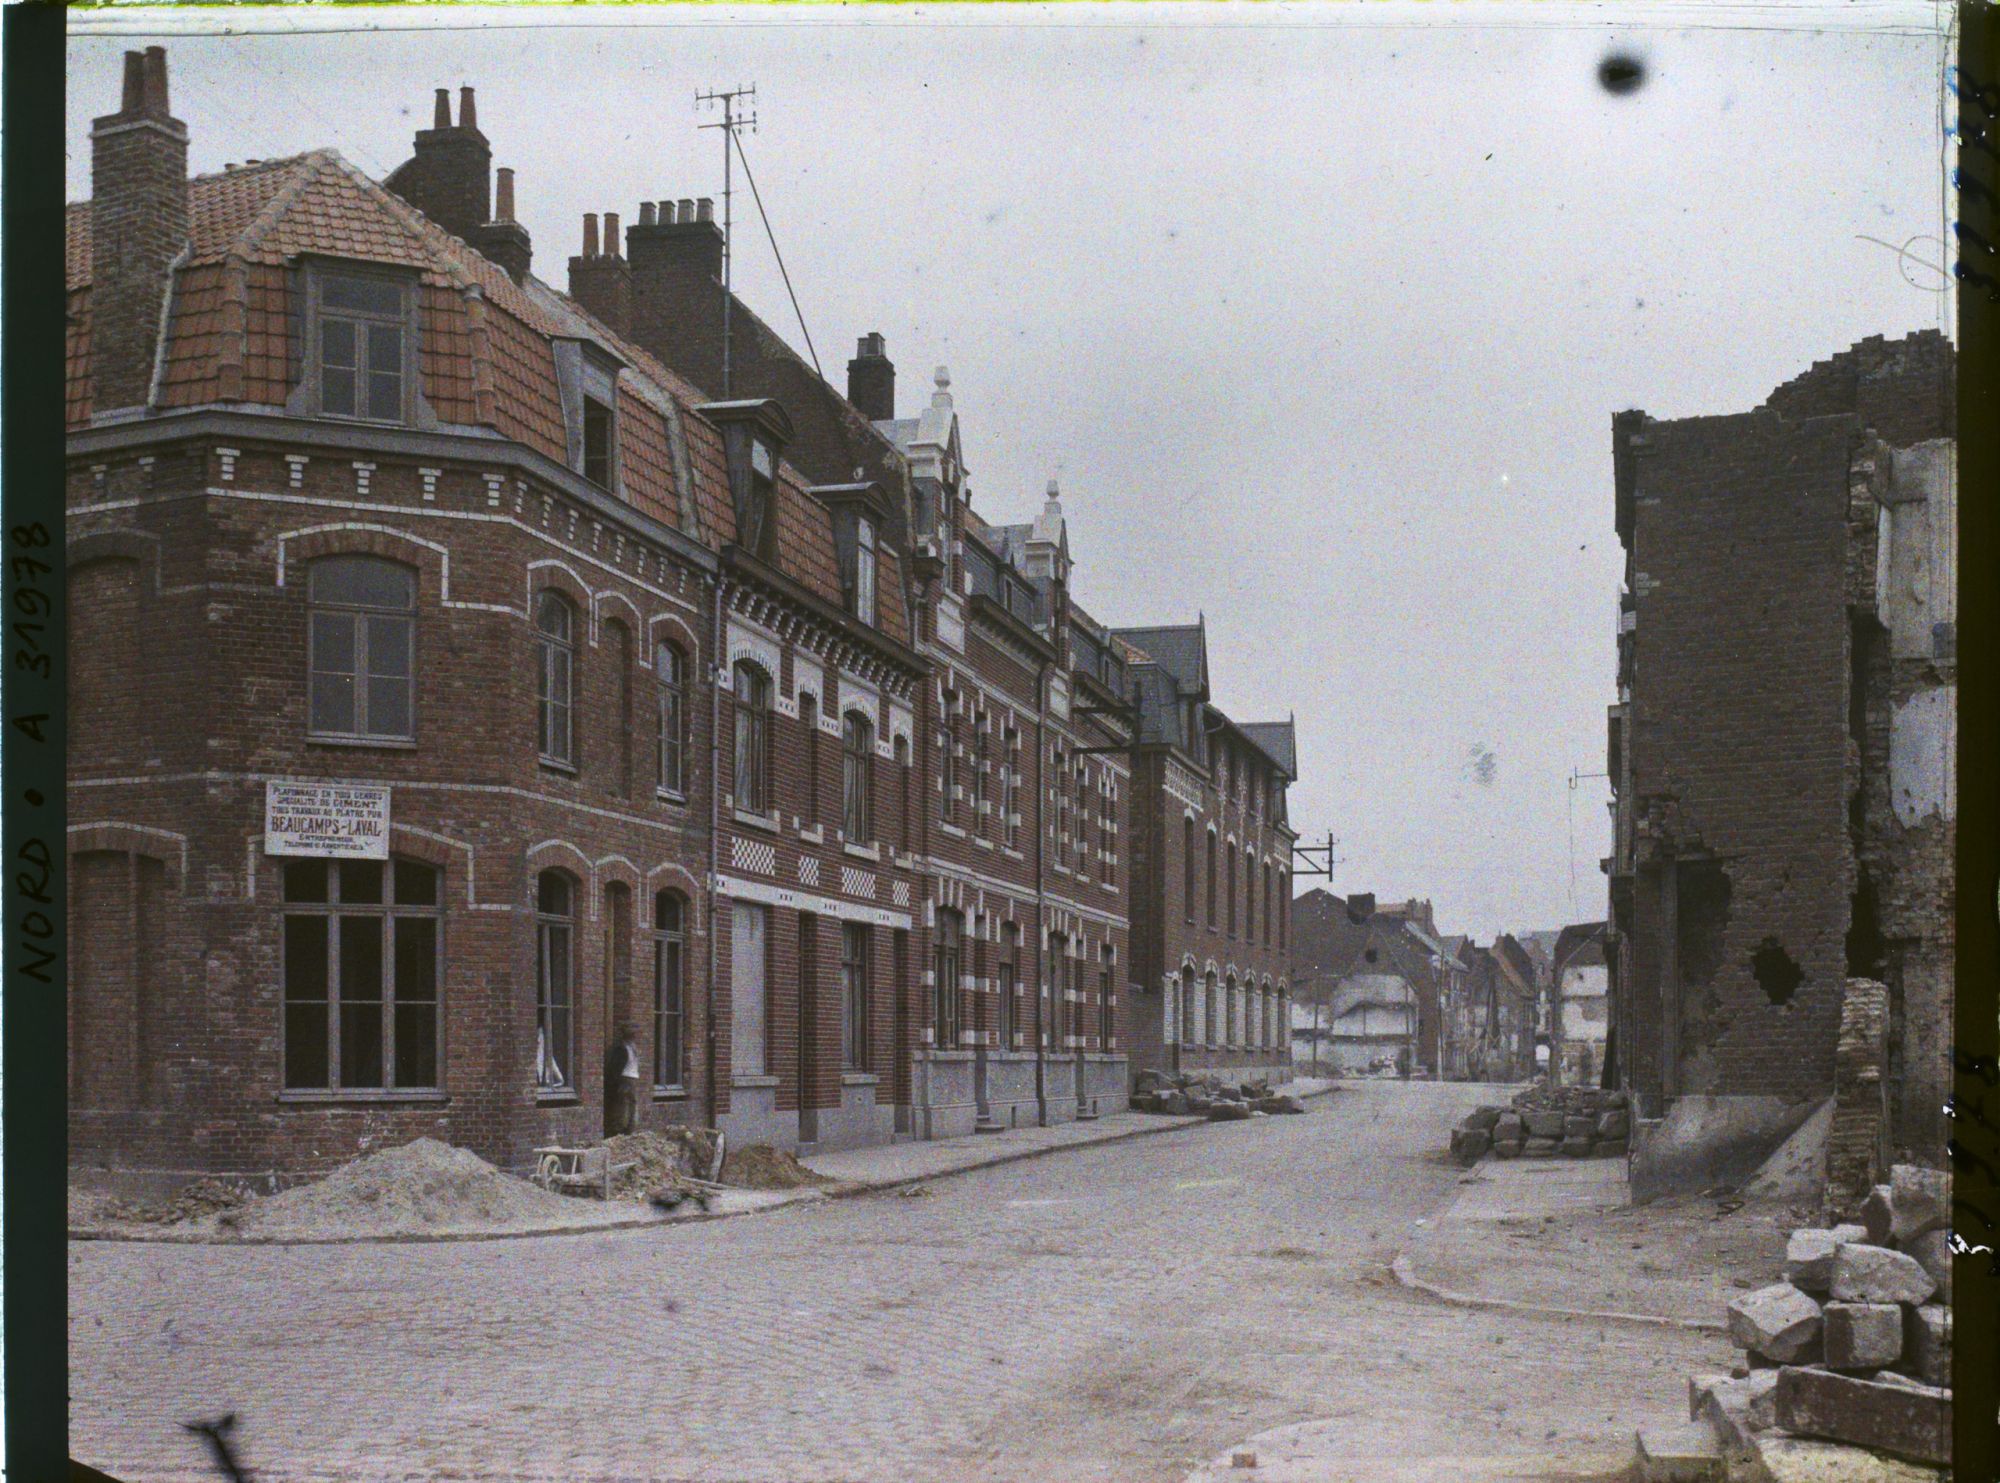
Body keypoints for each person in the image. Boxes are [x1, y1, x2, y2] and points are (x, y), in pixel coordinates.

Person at [603, 1026, 640, 1136]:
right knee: (628, 1104)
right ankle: (625, 1129)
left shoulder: (625, 1048)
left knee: (625, 1104)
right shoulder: (629, 1048)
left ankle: (623, 1128)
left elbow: (616, 1067)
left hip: (627, 1078)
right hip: (629, 1078)